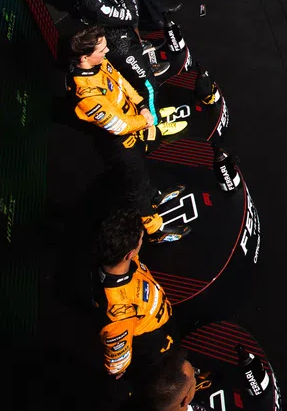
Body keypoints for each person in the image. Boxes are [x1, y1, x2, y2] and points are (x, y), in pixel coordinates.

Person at [69, 27, 187, 248]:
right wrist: (145, 121)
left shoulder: (99, 63)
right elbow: (117, 125)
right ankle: (155, 230)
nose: (107, 51)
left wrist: (142, 105)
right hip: (118, 145)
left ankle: (154, 196)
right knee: (136, 186)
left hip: (134, 126)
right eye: (102, 49)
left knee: (142, 176)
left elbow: (122, 82)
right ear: (85, 57)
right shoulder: (85, 93)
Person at [96, 208, 183, 382]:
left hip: (163, 319)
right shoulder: (118, 312)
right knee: (169, 377)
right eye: (141, 240)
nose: (143, 241)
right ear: (129, 254)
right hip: (155, 347)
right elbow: (117, 366)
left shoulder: (116, 257)